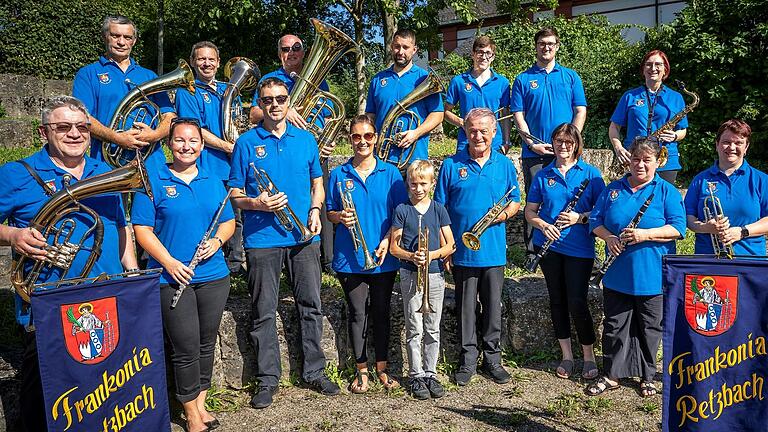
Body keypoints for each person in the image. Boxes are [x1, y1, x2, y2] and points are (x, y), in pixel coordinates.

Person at [0, 96, 137, 432]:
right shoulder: (17, 174)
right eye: (63, 127)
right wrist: (13, 235)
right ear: (44, 131)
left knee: (106, 391)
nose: (75, 134)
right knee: (44, 398)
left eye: (82, 127)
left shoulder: (106, 172)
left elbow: (122, 228)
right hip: (48, 304)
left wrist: (131, 273)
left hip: (106, 298)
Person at [229, 78, 339, 409]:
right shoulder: (246, 143)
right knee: (264, 309)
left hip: (304, 236)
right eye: (268, 100)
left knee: (311, 304)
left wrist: (316, 210)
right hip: (262, 238)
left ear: (288, 101)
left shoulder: (306, 140)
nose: (275, 105)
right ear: (260, 106)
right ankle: (266, 379)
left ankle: (315, 371)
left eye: (280, 99)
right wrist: (257, 203)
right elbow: (234, 195)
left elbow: (317, 183)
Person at [132, 118, 235, 432]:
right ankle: (190, 412)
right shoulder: (153, 178)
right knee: (185, 346)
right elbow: (142, 230)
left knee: (205, 343)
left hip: (214, 275)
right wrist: (170, 262)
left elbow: (227, 222)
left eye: (193, 141)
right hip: (171, 278)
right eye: (179, 140)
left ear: (202, 146)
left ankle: (201, 404)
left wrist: (216, 241)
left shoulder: (213, 179)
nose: (187, 146)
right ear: (169, 143)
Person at [586, 138, 686, 397]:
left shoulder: (666, 191)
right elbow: (595, 220)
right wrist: (608, 237)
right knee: (614, 325)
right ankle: (611, 375)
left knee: (649, 327)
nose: (640, 164)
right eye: (636, 159)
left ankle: (647, 376)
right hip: (618, 272)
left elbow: (678, 228)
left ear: (658, 162)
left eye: (646, 160)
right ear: (628, 160)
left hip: (652, 274)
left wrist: (645, 235)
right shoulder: (613, 189)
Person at [434, 108, 520, 386]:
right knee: (465, 308)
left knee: (493, 307)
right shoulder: (450, 165)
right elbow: (440, 211)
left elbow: (515, 200)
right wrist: (445, 248)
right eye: (472, 130)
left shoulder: (505, 165)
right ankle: (468, 359)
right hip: (462, 251)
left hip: (493, 250)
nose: (478, 135)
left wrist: (503, 215)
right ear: (465, 132)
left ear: (494, 133)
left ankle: (493, 359)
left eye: (484, 130)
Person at [326, 115, 408, 394]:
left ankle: (382, 368)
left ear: (375, 138)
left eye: (368, 136)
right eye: (356, 137)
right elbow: (329, 212)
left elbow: (400, 218)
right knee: (357, 313)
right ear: (349, 139)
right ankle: (362, 370)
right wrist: (339, 216)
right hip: (350, 258)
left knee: (382, 312)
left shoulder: (392, 174)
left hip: (383, 256)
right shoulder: (338, 174)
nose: (362, 142)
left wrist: (388, 241)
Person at [248, 33, 335, 274]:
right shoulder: (269, 79)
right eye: (285, 49)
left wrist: (327, 139)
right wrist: (286, 111)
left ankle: (326, 259)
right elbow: (254, 114)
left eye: (296, 47)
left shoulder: (318, 80)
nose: (291, 52)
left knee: (320, 199)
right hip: (279, 147)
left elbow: (326, 114)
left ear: (304, 52)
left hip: (310, 148)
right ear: (279, 53)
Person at [523, 123, 605, 380]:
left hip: (579, 249)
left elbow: (603, 213)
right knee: (556, 300)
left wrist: (579, 217)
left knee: (577, 301)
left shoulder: (591, 175)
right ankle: (567, 355)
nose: (563, 146)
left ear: (576, 144)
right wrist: (544, 226)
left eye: (568, 141)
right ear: (553, 143)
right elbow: (529, 212)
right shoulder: (543, 175)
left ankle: (589, 356)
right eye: (559, 141)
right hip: (549, 247)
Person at [510, 27, 587, 260]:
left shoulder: (571, 76)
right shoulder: (523, 79)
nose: (546, 47)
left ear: (557, 47)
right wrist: (531, 143)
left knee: (570, 198)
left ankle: (570, 246)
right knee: (535, 201)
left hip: (566, 152)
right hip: (534, 151)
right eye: (542, 43)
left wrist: (571, 142)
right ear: (536, 46)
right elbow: (518, 115)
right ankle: (534, 252)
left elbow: (580, 110)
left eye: (551, 43)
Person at [175, 41, 246, 274]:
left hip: (232, 165)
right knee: (210, 215)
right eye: (201, 59)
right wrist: (230, 146)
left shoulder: (229, 89)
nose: (206, 63)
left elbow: (238, 122)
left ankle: (236, 263)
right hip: (207, 164)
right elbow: (195, 129)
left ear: (218, 62)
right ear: (194, 62)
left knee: (235, 214)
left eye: (211, 59)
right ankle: (207, 261)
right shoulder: (188, 90)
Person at [72, 15, 175, 169]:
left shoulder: (149, 76)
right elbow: (82, 117)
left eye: (127, 37)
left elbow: (170, 117)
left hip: (150, 160)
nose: (121, 42)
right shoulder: (88, 73)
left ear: (133, 41)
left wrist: (154, 135)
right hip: (107, 161)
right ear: (105, 37)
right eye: (115, 36)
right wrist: (117, 138)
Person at [390, 160, 455, 399]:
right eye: (413, 183)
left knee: (432, 328)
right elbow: (394, 248)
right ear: (408, 183)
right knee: (413, 328)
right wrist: (411, 256)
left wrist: (431, 254)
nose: (418, 188)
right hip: (409, 273)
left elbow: (451, 244)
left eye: (423, 184)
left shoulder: (438, 209)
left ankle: (431, 373)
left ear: (431, 184)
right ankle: (416, 375)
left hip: (435, 274)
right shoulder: (402, 210)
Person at [684, 119, 768, 256]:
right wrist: (706, 227)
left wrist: (742, 232)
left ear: (746, 147)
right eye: (726, 142)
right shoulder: (700, 179)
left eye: (738, 143)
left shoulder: (761, 180)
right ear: (717, 145)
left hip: (750, 260)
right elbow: (688, 218)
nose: (732, 147)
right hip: (708, 260)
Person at [366, 28, 444, 167]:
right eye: (397, 46)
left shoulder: (424, 78)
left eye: (405, 47)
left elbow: (437, 114)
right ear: (391, 47)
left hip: (414, 157)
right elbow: (370, 115)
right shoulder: (378, 79)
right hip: (381, 157)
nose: (400, 52)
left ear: (414, 50)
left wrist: (415, 133)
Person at [609, 50, 688, 184]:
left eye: (658, 64)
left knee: (662, 201)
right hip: (634, 158)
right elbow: (614, 127)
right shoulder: (630, 96)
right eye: (648, 64)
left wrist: (675, 136)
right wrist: (619, 148)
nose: (653, 68)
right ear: (643, 69)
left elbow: (683, 130)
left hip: (666, 161)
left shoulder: (676, 97)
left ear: (665, 69)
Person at [444, 36, 511, 154]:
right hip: (466, 143)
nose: (484, 57)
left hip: (494, 145)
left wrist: (506, 143)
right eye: (480, 53)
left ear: (493, 57)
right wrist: (462, 123)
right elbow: (445, 112)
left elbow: (505, 114)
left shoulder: (502, 83)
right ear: (473, 55)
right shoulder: (459, 81)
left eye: (488, 53)